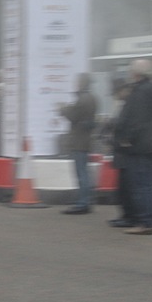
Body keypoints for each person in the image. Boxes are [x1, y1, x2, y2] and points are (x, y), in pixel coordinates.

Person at [109, 59, 152, 234]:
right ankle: (145, 219)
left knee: (141, 185)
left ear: (136, 73)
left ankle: (145, 222)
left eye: (131, 71)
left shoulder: (140, 91)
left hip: (140, 146)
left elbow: (137, 120)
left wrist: (127, 138)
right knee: (147, 184)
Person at [58, 72, 98, 214]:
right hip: (86, 140)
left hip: (79, 141)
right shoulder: (92, 98)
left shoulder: (82, 100)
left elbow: (73, 116)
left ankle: (82, 203)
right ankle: (85, 200)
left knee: (81, 173)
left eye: (77, 81)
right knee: (84, 172)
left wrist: (62, 109)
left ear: (82, 83)